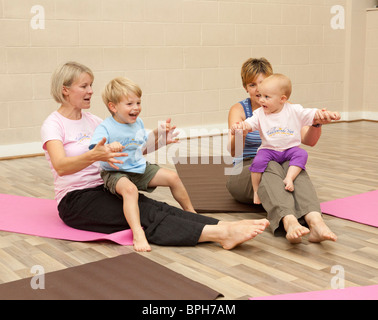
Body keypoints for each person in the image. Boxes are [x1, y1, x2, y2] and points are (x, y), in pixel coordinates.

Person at [41, 61, 270, 251]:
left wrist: (158, 142)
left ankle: (220, 225)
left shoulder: (94, 121)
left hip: (105, 186)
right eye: (84, 86)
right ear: (65, 90)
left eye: (91, 85)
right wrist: (94, 155)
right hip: (76, 200)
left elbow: (130, 153)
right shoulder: (54, 124)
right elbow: (61, 166)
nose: (91, 91)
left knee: (156, 206)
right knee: (147, 214)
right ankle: (222, 233)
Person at [227, 58, 339, 244]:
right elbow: (234, 151)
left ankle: (316, 222)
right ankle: (289, 221)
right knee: (269, 163)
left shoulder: (286, 108)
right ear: (245, 87)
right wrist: (241, 133)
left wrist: (317, 122)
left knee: (295, 165)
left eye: (262, 83)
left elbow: (308, 141)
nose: (257, 90)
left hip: (280, 164)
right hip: (246, 169)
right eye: (252, 84)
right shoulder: (240, 110)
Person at [89, 77, 196, 252]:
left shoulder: (137, 122)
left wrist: (159, 133)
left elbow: (144, 143)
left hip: (137, 166)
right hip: (115, 172)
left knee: (173, 177)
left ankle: (191, 214)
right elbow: (95, 149)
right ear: (113, 107)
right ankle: (138, 233)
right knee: (130, 191)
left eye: (138, 102)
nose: (136, 107)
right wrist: (108, 147)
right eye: (130, 104)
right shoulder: (105, 127)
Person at [231, 73, 339, 205]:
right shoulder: (255, 113)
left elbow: (313, 116)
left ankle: (294, 186)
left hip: (287, 152)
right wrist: (241, 130)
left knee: (300, 157)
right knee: (266, 165)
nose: (261, 98)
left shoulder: (291, 109)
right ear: (245, 87)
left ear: (281, 98)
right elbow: (246, 127)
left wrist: (324, 116)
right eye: (253, 85)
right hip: (264, 154)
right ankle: (258, 192)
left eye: (266, 93)